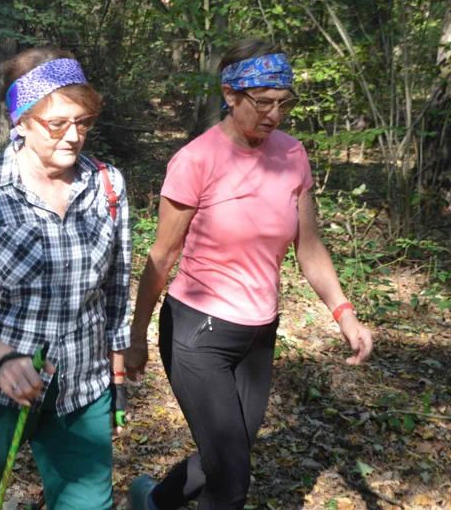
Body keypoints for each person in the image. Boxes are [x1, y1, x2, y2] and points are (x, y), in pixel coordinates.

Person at [125, 39, 374, 510]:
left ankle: (152, 501)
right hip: (199, 332)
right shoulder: (197, 160)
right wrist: (137, 335)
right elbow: (162, 256)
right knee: (232, 481)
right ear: (231, 94)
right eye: (263, 102)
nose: (274, 115)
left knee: (227, 451)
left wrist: (345, 314)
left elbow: (311, 246)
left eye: (284, 103)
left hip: (259, 332)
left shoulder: (292, 155)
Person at [0, 47, 131, 510]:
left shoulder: (108, 187)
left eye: (82, 122)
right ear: (21, 121)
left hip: (82, 390)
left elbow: (116, 292)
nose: (74, 136)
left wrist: (116, 379)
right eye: (57, 123)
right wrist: (2, 359)